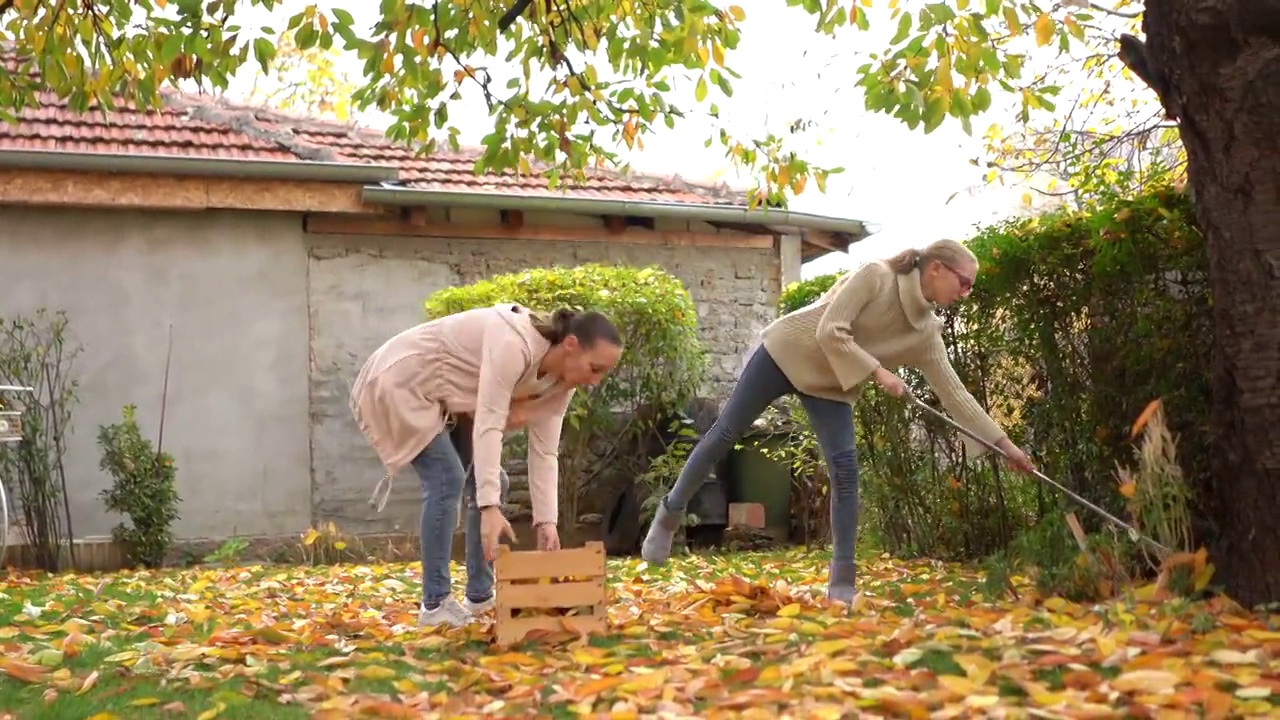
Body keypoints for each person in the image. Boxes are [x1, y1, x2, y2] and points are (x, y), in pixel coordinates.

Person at [641, 239, 1036, 604]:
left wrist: (1007, 448)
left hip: (829, 384)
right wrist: (879, 372)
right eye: (964, 282)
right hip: (788, 352)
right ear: (936, 268)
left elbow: (958, 397)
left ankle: (842, 582)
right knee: (725, 432)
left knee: (845, 472)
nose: (965, 293)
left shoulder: (927, 334)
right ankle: (669, 515)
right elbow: (831, 330)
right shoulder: (876, 276)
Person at [350, 303, 623, 627]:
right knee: (446, 479)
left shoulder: (561, 384)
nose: (595, 381)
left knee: (494, 483)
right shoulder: (515, 343)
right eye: (595, 368)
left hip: (447, 397)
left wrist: (546, 522)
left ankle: (479, 597)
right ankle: (435, 604)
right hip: (402, 380)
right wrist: (489, 508)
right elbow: (490, 423)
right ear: (571, 346)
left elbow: (545, 452)